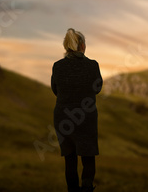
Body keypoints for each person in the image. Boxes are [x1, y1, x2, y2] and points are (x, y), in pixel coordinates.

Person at [51, 28, 102, 192]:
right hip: (85, 119)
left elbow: (55, 89)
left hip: (63, 119)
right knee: (88, 159)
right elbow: (98, 87)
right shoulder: (92, 66)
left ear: (67, 47)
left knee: (70, 160)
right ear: (82, 46)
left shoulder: (57, 67)